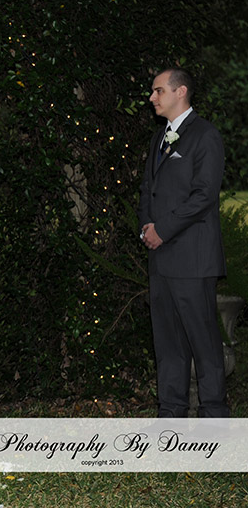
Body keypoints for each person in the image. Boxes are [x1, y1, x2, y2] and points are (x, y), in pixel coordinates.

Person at [137, 67, 229, 417]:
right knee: (168, 343)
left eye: (158, 90)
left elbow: (204, 195)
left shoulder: (206, 135)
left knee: (203, 342)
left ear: (181, 92)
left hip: (193, 257)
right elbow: (148, 189)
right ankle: (170, 414)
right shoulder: (158, 138)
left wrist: (163, 229)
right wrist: (147, 226)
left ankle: (214, 418)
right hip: (160, 258)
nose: (152, 98)